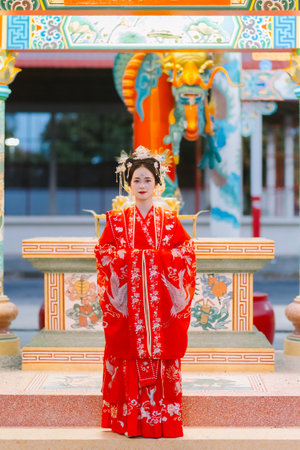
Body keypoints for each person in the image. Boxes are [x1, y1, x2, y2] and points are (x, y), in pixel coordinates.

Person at [94, 145, 196, 438]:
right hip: (130, 311)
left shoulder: (169, 221)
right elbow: (104, 252)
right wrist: (136, 259)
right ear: (127, 184)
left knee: (162, 356)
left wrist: (148, 259)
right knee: (127, 354)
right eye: (136, 180)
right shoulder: (115, 221)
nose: (141, 186)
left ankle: (163, 421)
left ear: (157, 183)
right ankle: (129, 421)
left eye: (147, 180)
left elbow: (186, 252)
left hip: (160, 311)